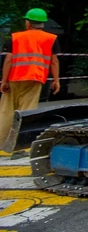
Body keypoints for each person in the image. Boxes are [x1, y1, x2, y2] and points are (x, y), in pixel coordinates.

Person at [1, 9, 60, 149]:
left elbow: (8, 60)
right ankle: (20, 146)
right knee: (27, 112)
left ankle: (1, 143)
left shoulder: (15, 37)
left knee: (6, 111)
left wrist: (4, 80)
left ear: (28, 22)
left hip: (14, 78)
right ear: (43, 23)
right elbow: (54, 61)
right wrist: (56, 80)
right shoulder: (51, 39)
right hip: (35, 78)